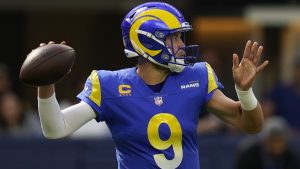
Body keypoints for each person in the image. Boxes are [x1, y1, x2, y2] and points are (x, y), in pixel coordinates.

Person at [36, 2, 269, 169]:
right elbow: (56, 129)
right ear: (148, 40)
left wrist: (245, 92)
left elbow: (251, 125)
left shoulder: (196, 77)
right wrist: (45, 83)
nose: (181, 43)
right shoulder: (109, 85)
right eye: (174, 36)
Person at [235, 116, 300, 169]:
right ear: (264, 141)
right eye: (273, 141)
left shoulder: (292, 158)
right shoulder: (249, 156)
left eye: (279, 141)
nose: (276, 145)